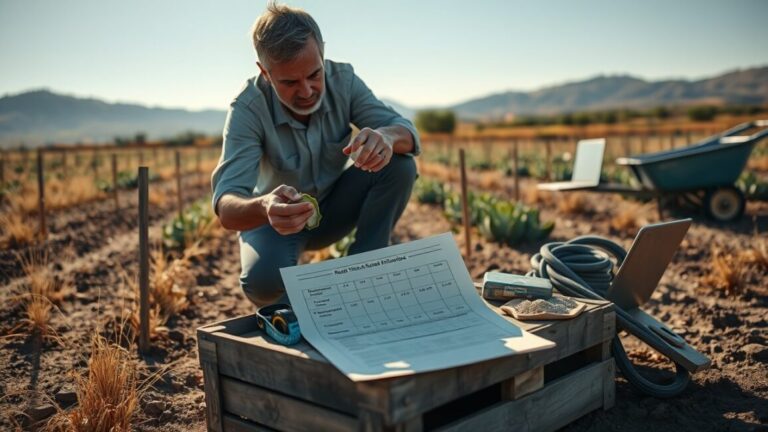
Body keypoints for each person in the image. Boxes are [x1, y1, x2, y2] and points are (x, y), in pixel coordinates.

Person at [211, 2, 420, 307]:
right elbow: (226, 207)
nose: (307, 91)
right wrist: (266, 206)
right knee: (262, 283)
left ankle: (365, 275)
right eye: (289, 82)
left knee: (399, 164)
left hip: (335, 209)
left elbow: (407, 134)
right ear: (265, 72)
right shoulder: (248, 108)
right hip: (277, 222)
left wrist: (386, 137)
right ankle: (300, 307)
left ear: (322, 53)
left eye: (314, 74)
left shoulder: (344, 81)